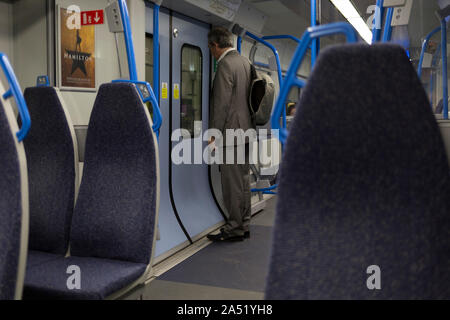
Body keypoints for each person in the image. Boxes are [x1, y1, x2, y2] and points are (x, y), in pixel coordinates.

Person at [207, 27, 253, 242]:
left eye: (211, 49)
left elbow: (221, 104)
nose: (212, 53)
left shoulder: (225, 64)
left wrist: (214, 133)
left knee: (231, 184)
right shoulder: (245, 62)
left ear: (215, 45)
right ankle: (244, 224)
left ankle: (234, 229)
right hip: (245, 132)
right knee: (243, 181)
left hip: (230, 134)